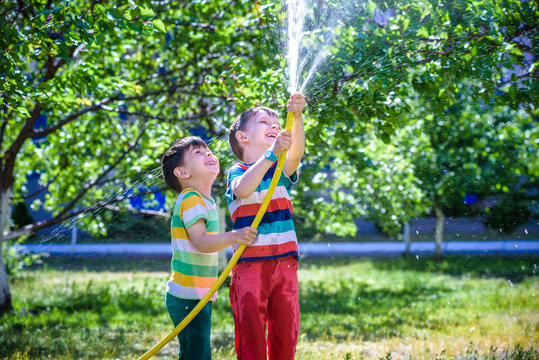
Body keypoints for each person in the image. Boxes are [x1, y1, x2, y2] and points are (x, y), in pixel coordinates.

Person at [161, 136, 258, 360]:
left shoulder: (203, 200)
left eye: (208, 150)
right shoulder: (192, 199)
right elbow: (202, 242)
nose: (208, 154)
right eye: (198, 153)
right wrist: (235, 236)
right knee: (198, 353)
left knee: (195, 351)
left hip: (197, 293)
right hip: (187, 295)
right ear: (182, 173)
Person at [225, 93, 306, 360]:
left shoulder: (281, 168)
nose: (273, 125)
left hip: (285, 262)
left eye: (276, 122)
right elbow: (244, 188)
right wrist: (272, 153)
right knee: (252, 336)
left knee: (286, 331)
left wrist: (297, 116)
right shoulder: (237, 171)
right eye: (264, 122)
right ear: (243, 137)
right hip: (250, 265)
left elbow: (296, 154)